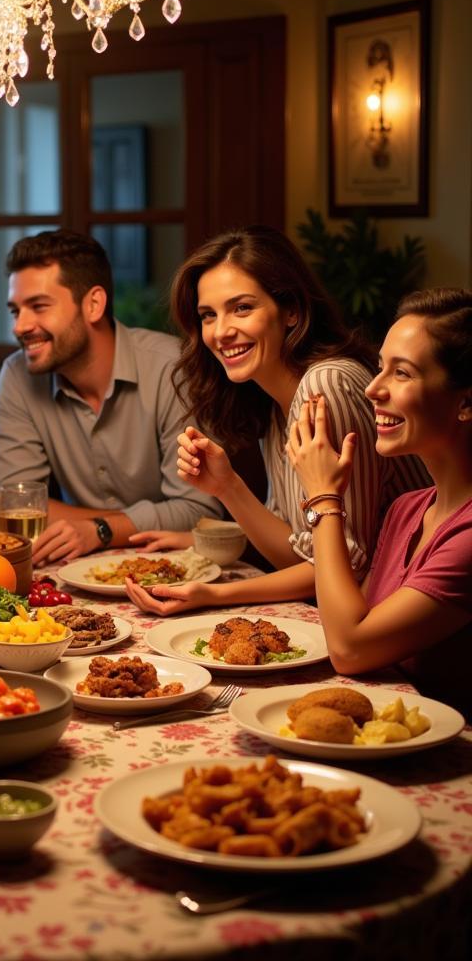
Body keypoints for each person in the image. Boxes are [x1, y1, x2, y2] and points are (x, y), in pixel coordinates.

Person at [124, 226, 427, 618]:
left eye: (242, 308)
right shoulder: (274, 402)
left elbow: (345, 567)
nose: (221, 331)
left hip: (398, 629)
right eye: (208, 316)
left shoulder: (325, 385)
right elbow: (297, 551)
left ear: (292, 312)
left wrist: (215, 595)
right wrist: (227, 488)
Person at [0, 229, 219, 565]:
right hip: (75, 571)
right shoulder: (18, 376)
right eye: (15, 311)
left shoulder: (171, 369)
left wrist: (102, 529)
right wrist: (107, 525)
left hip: (177, 569)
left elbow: (199, 510)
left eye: (38, 306)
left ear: (93, 304)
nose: (20, 326)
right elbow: (0, 505)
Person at [288, 289, 472, 715]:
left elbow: (350, 648)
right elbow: (350, 618)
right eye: (379, 367)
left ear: (466, 401)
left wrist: (325, 497)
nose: (373, 389)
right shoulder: (408, 509)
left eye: (402, 374)